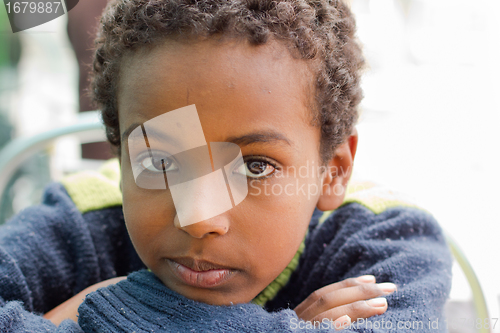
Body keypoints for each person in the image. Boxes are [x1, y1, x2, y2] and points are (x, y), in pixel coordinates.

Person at [0, 0, 452, 332]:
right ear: (118, 157)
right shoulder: (81, 218)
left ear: (331, 171)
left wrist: (93, 313)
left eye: (255, 166)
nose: (199, 219)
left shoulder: (388, 243)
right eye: (160, 161)